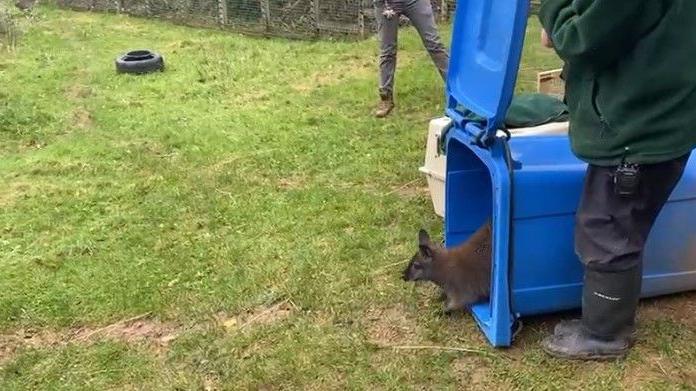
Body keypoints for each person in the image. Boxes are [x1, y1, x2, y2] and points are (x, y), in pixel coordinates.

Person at [537, 0, 696, 360]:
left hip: (639, 128)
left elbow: (580, 41)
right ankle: (606, 322)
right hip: (660, 115)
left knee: (607, 230)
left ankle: (604, 334)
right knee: (622, 224)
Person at [373, 0, 449, 118]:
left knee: (434, 44)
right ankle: (385, 97)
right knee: (387, 50)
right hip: (386, 3)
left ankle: (456, 90)